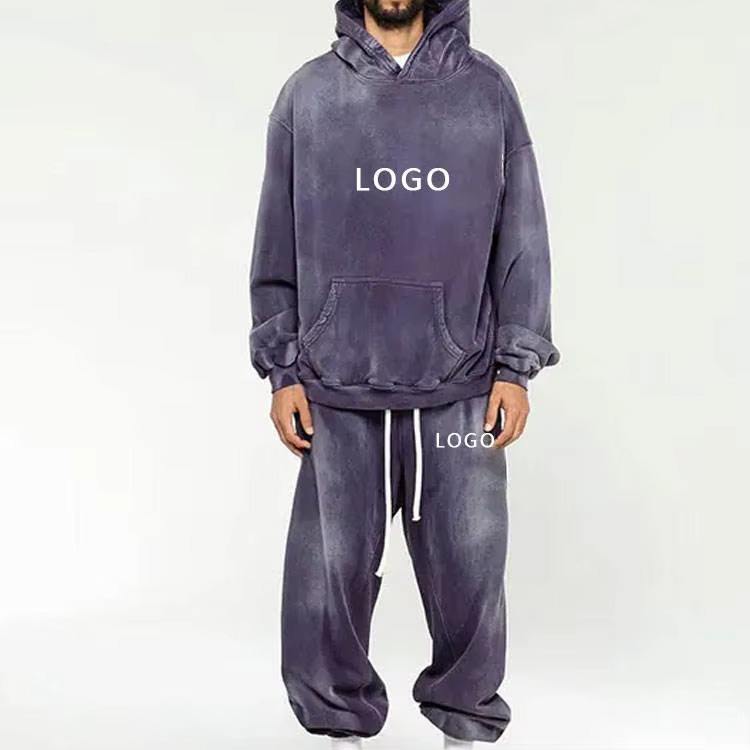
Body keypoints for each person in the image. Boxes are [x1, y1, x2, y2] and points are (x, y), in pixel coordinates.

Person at [249, 0, 559, 746]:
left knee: (471, 578)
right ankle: (341, 733)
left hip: (463, 392)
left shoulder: (486, 91)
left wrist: (516, 366)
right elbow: (275, 240)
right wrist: (282, 370)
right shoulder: (308, 95)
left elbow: (522, 233)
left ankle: (465, 732)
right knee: (326, 586)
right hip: (335, 388)